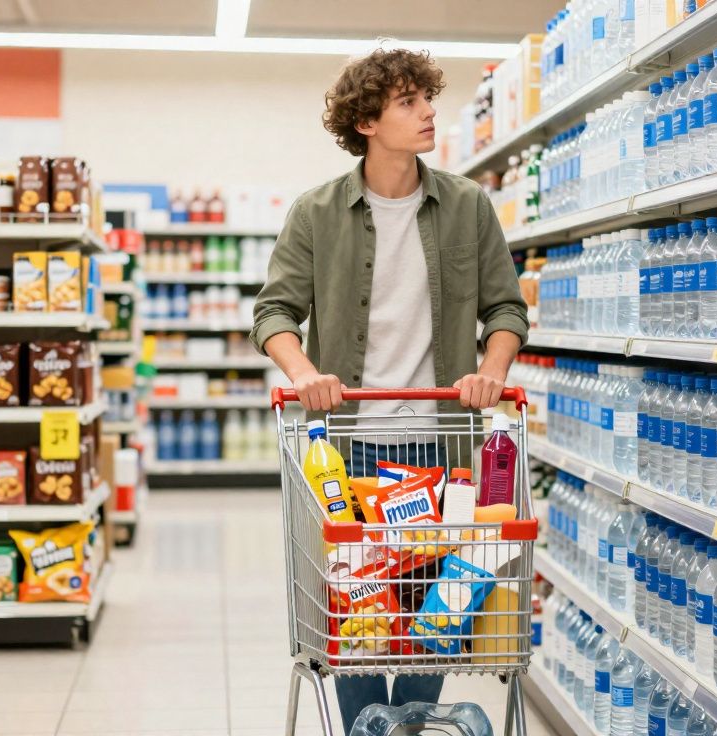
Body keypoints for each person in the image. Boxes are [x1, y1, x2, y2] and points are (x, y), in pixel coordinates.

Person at [248, 46, 529, 733]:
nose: (430, 112)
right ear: (367, 122)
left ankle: (406, 725)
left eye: (427, 98)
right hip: (345, 455)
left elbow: (507, 309)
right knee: (358, 619)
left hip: (441, 448)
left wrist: (493, 368)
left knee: (434, 616)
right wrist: (304, 373)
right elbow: (274, 312)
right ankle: (369, 726)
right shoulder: (317, 213)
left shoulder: (467, 206)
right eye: (409, 102)